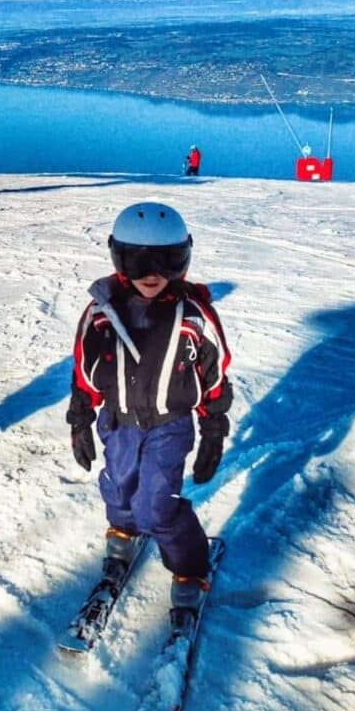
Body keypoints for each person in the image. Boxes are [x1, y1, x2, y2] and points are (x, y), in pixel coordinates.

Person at [65, 202, 232, 610]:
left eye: (166, 260)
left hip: (168, 426)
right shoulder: (102, 314)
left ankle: (191, 563)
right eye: (137, 261)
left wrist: (213, 432)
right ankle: (122, 535)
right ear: (119, 258)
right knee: (118, 488)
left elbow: (215, 375)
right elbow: (84, 370)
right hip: (118, 422)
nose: (151, 273)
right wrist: (80, 420)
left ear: (184, 258)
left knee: (155, 506)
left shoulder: (194, 317)